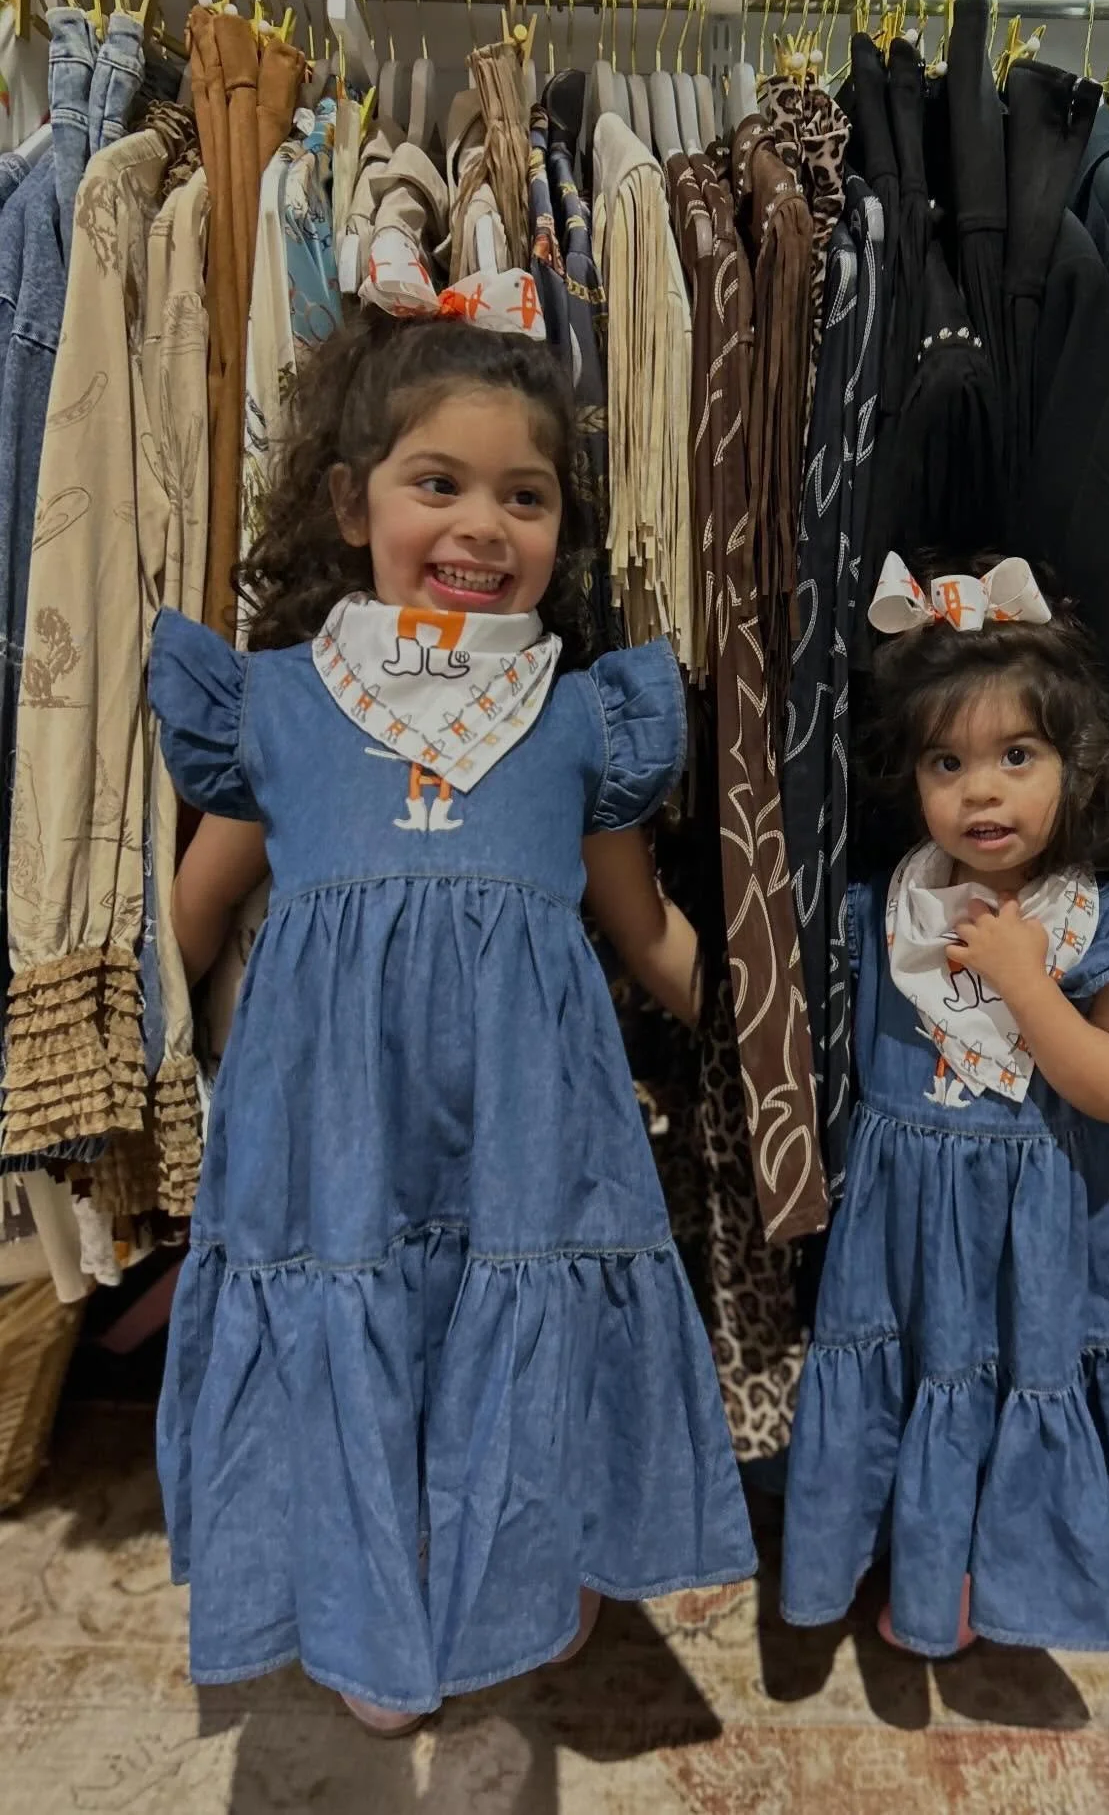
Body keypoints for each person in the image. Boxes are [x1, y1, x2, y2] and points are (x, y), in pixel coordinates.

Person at [151, 284, 755, 1734]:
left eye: (525, 496)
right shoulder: (283, 705)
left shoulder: (573, 715)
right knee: (362, 1345)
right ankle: (373, 1619)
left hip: (531, 1139)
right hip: (334, 1136)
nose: (483, 527)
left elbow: (639, 921)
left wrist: (764, 1022)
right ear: (354, 507)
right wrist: (166, 1057)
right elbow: (199, 904)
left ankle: (523, 1578)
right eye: (442, 484)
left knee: (515, 1339)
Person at [780, 552, 1109, 1659]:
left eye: (1016, 755)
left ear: (1076, 765)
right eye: (948, 760)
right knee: (913, 1387)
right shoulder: (884, 911)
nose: (981, 790)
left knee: (1004, 1392)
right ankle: (905, 1567)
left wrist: (1026, 981)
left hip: (1031, 1246)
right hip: (904, 1237)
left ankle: (988, 1572)